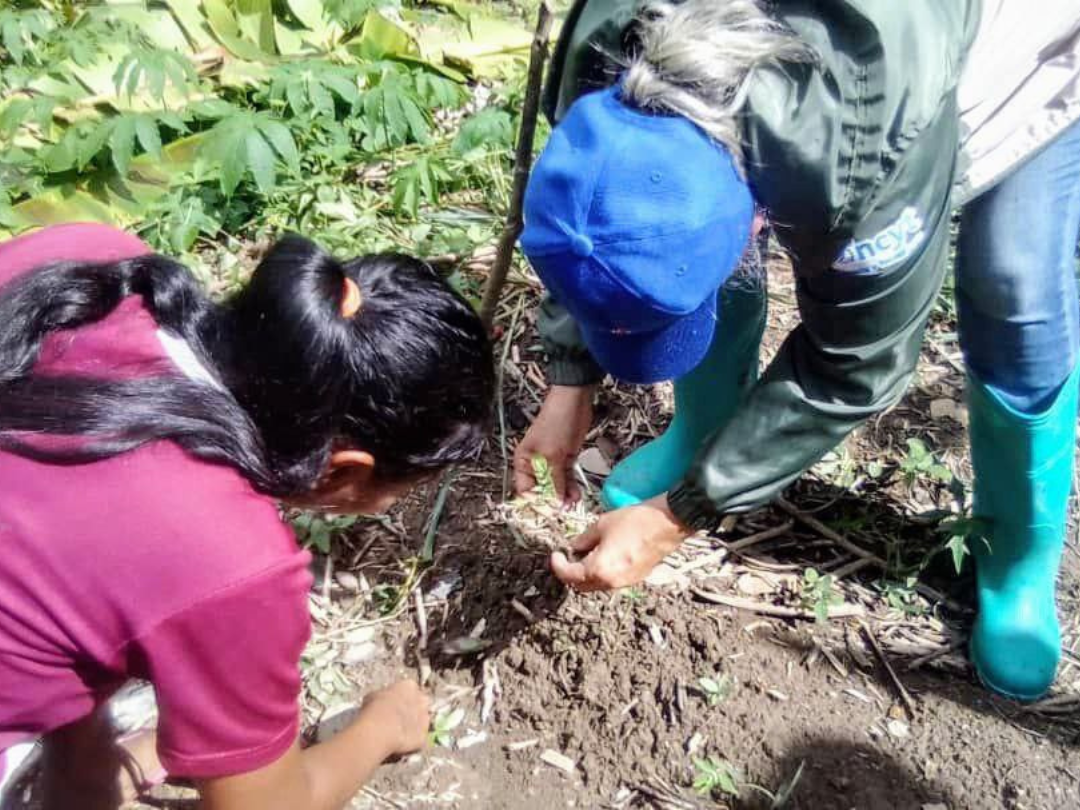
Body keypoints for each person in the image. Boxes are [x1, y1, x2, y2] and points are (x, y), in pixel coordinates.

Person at [514, 0, 1080, 700]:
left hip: (1002, 35)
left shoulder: (866, 151)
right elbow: (594, 218)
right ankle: (704, 429)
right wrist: (569, 380)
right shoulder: (604, 46)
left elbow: (854, 364)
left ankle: (1016, 554)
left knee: (1012, 286)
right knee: (681, 241)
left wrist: (676, 515)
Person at [0, 223, 495, 809]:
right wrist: (382, 728)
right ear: (342, 470)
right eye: (404, 489)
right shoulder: (228, 559)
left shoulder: (86, 261)